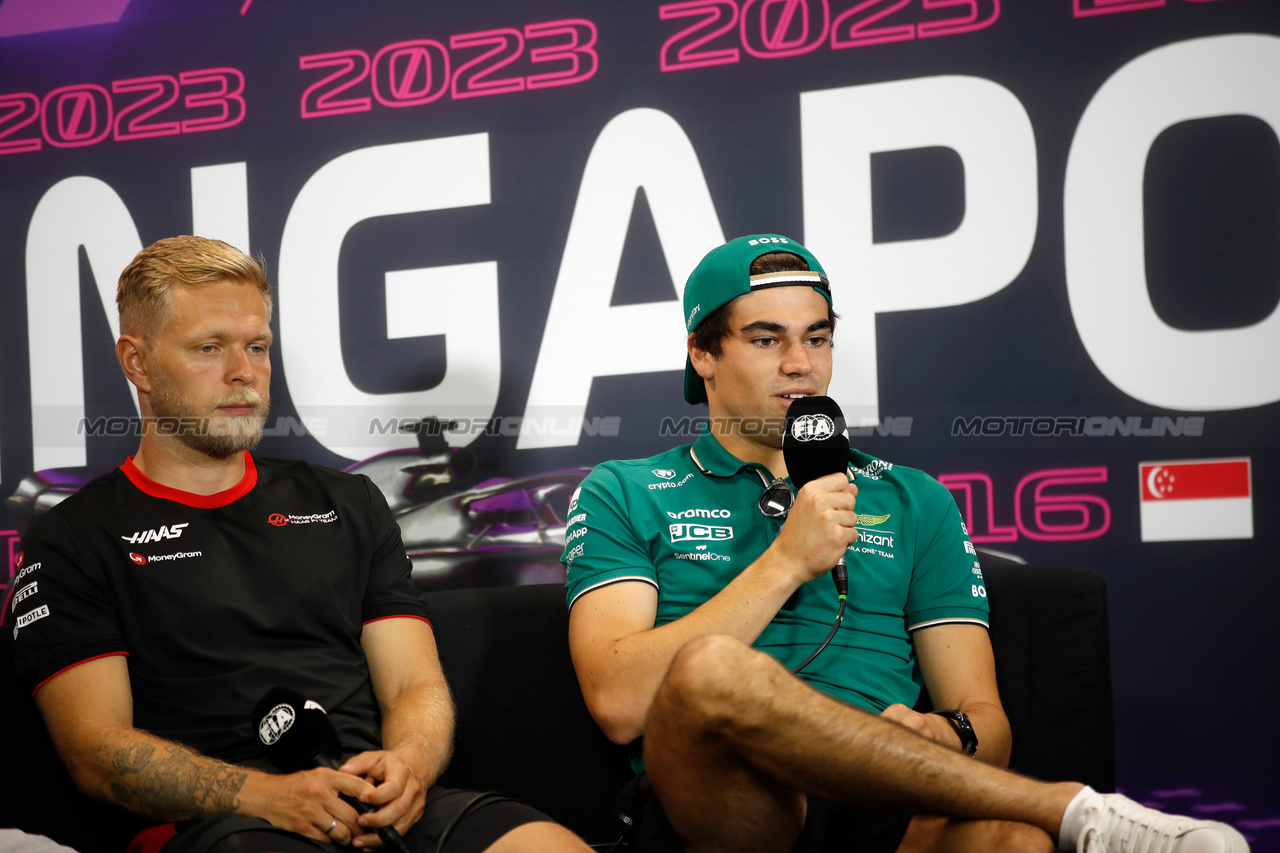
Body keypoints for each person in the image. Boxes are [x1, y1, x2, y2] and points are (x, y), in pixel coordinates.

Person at [563, 234, 1248, 853]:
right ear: (703, 354)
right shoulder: (624, 488)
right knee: (708, 668)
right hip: (730, 805)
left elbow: (988, 722)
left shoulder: (912, 496)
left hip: (883, 796)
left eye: (819, 338)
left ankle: (1050, 818)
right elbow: (620, 705)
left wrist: (947, 736)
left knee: (1015, 844)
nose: (801, 364)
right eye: (767, 340)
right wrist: (786, 562)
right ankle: (1077, 810)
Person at [11, 236, 591, 853]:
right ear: (137, 362)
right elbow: (97, 753)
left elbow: (413, 688)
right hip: (224, 826)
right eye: (209, 348)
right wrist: (267, 797)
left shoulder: (349, 502)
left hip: (378, 807)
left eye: (257, 347)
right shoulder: (73, 536)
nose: (244, 373)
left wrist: (409, 767)